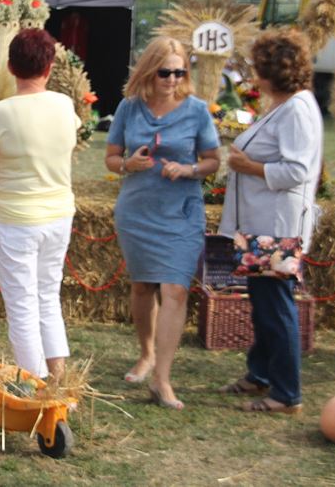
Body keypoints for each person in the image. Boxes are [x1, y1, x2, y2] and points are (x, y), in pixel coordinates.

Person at [104, 36, 220, 410]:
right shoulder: (129, 107)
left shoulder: (198, 110)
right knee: (141, 287)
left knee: (175, 290)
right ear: (150, 71)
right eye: (165, 71)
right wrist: (127, 165)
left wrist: (188, 169)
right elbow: (110, 156)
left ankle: (162, 380)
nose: (172, 79)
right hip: (137, 210)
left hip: (181, 211)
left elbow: (213, 160)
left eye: (179, 71)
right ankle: (146, 353)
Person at [217, 29, 322, 414]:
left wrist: (249, 166)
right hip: (261, 224)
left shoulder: (296, 109)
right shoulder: (285, 105)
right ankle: (259, 374)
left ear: (270, 72)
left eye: (257, 68)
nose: (252, 75)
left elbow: (297, 170)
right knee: (263, 304)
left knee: (276, 306)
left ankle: (286, 394)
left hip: (277, 228)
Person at [0, 29, 81, 380]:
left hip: (17, 217)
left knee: (21, 305)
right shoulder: (65, 105)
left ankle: (34, 387)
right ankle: (59, 381)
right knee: (48, 296)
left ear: (9, 67)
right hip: (59, 214)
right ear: (49, 67)